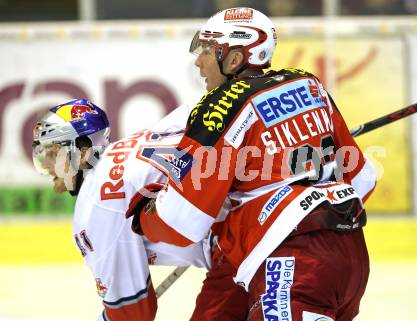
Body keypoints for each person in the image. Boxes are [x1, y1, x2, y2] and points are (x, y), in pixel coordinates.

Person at [127, 7, 377, 321]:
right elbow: (363, 180)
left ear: (234, 59)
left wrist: (145, 213)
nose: (198, 62)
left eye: (207, 51)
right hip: (350, 258)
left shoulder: (221, 105)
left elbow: (182, 222)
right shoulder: (309, 85)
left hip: (291, 264)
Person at [31, 99, 212, 321]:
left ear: (82, 149)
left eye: (53, 153)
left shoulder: (94, 209)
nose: (46, 164)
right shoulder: (131, 144)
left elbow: (132, 313)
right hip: (248, 214)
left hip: (236, 242)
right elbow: (196, 110)